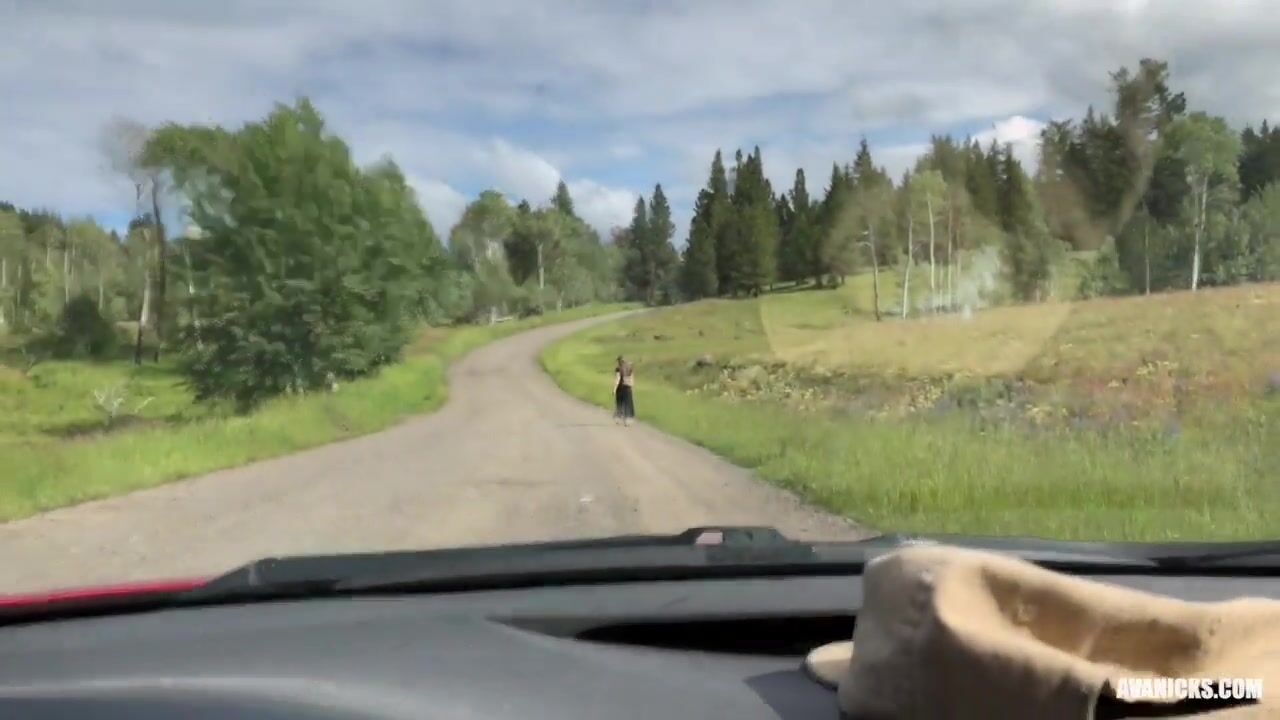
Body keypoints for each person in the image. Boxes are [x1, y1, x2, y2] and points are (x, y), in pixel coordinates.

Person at [613, 356, 636, 426]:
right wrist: (631, 386)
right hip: (628, 388)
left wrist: (614, 389)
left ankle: (618, 419)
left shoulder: (618, 369)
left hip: (621, 388)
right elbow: (632, 378)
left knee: (620, 403)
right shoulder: (629, 368)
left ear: (619, 361)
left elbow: (617, 379)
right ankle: (627, 420)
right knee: (628, 404)